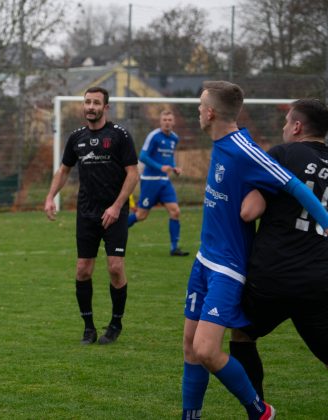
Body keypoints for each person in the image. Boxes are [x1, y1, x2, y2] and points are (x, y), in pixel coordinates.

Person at [180, 81, 328, 420]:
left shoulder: (247, 151)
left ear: (212, 112)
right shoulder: (219, 144)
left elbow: (290, 186)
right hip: (205, 260)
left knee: (207, 349)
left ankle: (260, 411)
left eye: (201, 104)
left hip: (230, 269)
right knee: (190, 347)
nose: (198, 110)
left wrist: (325, 220)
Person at [230, 98, 328, 399]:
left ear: (297, 127)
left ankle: (257, 409)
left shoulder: (283, 154)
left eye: (287, 123)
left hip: (272, 276)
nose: (284, 128)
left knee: (242, 333)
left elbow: (249, 211)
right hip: (318, 281)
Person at [43, 86, 139, 346]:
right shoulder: (76, 138)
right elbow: (63, 171)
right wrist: (51, 196)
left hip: (115, 211)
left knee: (115, 268)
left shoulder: (119, 136)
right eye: (87, 102)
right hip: (86, 212)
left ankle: (116, 323)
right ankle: (88, 328)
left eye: (96, 102)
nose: (91, 107)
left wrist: (118, 206)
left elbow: (133, 173)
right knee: (83, 270)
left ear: (106, 107)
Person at [128, 110, 190, 256]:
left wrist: (174, 168)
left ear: (173, 122)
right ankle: (115, 231)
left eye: (170, 119)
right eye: (164, 120)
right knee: (141, 215)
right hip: (150, 181)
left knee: (175, 211)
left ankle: (174, 248)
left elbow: (169, 158)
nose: (167, 122)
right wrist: (160, 167)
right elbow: (143, 156)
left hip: (164, 181)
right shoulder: (154, 136)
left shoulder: (174, 138)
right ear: (160, 122)